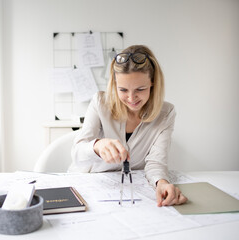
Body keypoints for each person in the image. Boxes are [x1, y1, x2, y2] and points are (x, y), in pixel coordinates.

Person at [68, 45, 187, 207]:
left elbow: (155, 163)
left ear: (153, 83)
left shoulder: (166, 112)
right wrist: (97, 145)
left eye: (140, 89)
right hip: (88, 188)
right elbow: (77, 153)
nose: (131, 98)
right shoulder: (100, 102)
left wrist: (162, 183)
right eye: (123, 89)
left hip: (132, 193)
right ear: (114, 84)